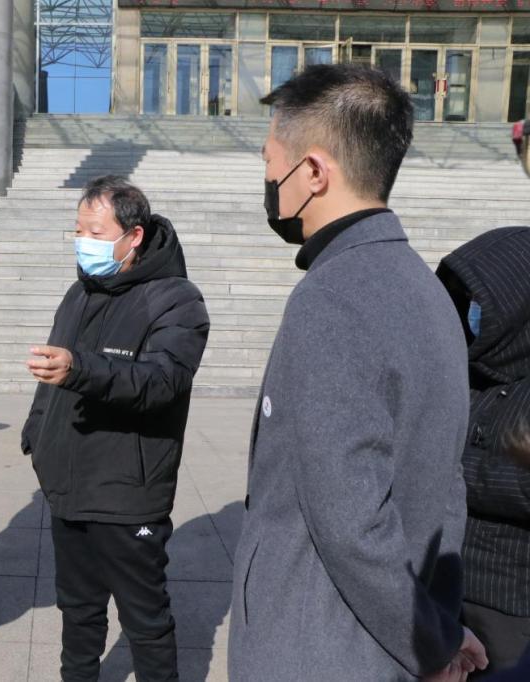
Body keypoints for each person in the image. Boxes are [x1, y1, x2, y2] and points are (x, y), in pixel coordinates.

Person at [227, 64, 488, 681]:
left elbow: (351, 524)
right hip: (382, 640)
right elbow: (447, 488)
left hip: (316, 647)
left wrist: (432, 645)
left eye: (271, 162)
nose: (268, 180)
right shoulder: (426, 289)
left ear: (314, 172)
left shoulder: (331, 298)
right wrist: (439, 627)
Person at [20, 175, 210, 682]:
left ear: (134, 236)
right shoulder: (79, 293)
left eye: (97, 233)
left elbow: (163, 381)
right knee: (77, 610)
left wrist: (80, 368)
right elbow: (53, 377)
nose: (84, 242)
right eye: (78, 230)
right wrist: (37, 433)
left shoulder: (176, 300)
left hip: (128, 493)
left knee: (145, 619)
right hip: (68, 486)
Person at [437, 226, 530, 678]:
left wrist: (448, 468)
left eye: (478, 304)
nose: (470, 314)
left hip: (509, 605)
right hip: (444, 585)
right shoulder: (467, 370)